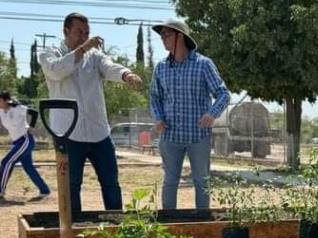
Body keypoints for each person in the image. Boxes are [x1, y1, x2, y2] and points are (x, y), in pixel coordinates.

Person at [38, 12, 142, 217]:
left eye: (87, 33)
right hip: (68, 134)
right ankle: (73, 232)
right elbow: (55, 71)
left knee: (111, 183)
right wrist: (83, 48)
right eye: (79, 32)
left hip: (99, 132)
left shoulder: (94, 56)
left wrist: (126, 74)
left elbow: (110, 66)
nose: (84, 36)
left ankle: (117, 228)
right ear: (66, 31)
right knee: (71, 186)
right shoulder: (50, 53)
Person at [150, 18, 230, 211]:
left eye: (167, 35)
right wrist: (158, 118)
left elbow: (223, 94)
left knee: (202, 181)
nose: (163, 39)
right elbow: (154, 97)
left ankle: (202, 221)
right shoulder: (161, 67)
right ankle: (169, 223)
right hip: (170, 136)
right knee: (170, 181)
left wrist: (212, 114)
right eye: (161, 35)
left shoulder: (203, 65)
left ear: (180, 37)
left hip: (198, 136)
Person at [0, 91, 51, 200]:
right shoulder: (1, 111)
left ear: (6, 101)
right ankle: (44, 190)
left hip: (25, 140)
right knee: (28, 167)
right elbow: (7, 115)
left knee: (6, 161)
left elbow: (34, 112)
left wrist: (31, 126)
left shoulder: (18, 108)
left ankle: (0, 190)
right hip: (18, 142)